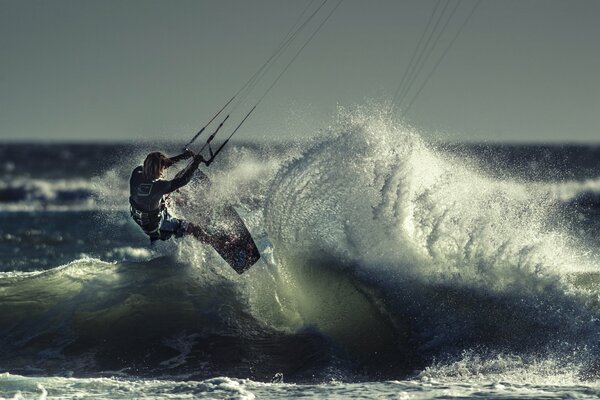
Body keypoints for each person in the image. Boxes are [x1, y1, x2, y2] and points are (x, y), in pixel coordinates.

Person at [129, 150, 212, 244]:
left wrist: (181, 157)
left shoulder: (137, 172)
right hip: (158, 227)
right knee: (192, 228)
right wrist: (196, 163)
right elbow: (183, 181)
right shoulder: (159, 186)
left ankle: (192, 209)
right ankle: (215, 242)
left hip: (141, 217)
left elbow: (159, 165)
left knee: (175, 188)